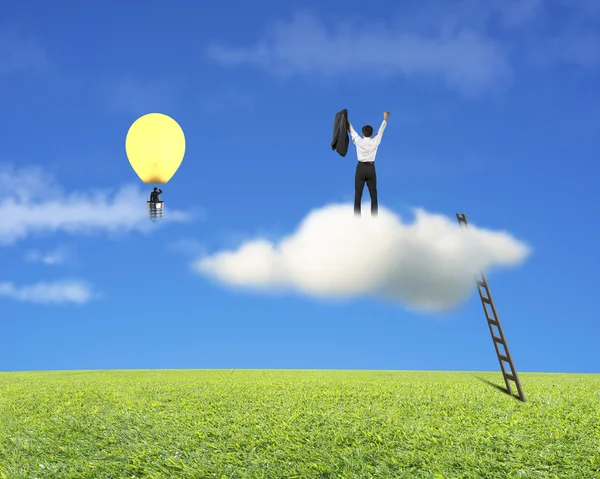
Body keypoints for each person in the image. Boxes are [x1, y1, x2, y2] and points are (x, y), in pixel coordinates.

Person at [348, 111, 389, 216]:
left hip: (360, 168)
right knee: (373, 194)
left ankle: (357, 217)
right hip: (371, 168)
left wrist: (346, 118)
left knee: (358, 194)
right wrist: (385, 119)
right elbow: (381, 131)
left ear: (362, 133)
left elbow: (351, 130)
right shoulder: (375, 141)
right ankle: (374, 217)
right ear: (371, 133)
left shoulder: (359, 141)